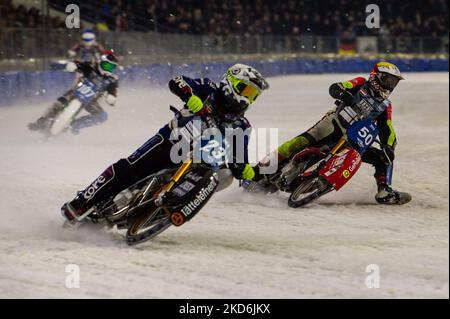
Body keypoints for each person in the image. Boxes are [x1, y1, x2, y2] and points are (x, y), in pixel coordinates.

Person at [61, 63, 270, 221]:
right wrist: (190, 96)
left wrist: (248, 172)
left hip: (198, 163)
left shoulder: (242, 126)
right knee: (129, 168)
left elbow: (238, 159)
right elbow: (178, 81)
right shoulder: (208, 89)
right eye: (246, 90)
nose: (248, 99)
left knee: (223, 176)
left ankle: (160, 213)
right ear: (231, 83)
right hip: (170, 141)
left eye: (254, 95)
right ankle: (82, 202)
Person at [249, 61, 411, 205]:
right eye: (387, 80)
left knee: (383, 157)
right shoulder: (361, 83)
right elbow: (337, 87)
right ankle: (256, 172)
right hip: (332, 125)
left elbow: (387, 129)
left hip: (356, 140)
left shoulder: (385, 106)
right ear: (375, 77)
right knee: (296, 144)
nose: (390, 86)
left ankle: (384, 190)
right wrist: (342, 93)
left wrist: (389, 146)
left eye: (393, 83)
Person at [28, 50, 119, 133]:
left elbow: (113, 91)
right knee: (60, 102)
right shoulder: (91, 66)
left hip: (91, 101)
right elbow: (79, 64)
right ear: (100, 62)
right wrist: (73, 65)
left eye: (112, 67)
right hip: (76, 91)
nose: (108, 69)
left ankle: (76, 125)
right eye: (107, 65)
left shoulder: (112, 80)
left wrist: (111, 97)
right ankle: (42, 121)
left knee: (102, 116)